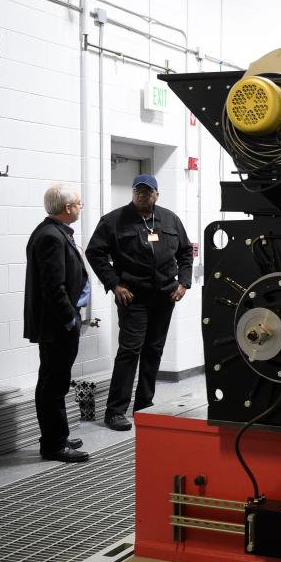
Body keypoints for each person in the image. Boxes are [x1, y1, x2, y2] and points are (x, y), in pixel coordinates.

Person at [86, 175, 193, 432]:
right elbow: (95, 252)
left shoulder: (170, 220)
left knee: (154, 351)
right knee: (130, 351)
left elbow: (186, 252)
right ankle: (115, 411)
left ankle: (144, 405)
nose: (142, 196)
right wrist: (114, 284)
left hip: (165, 297)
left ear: (157, 194)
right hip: (133, 297)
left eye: (147, 192)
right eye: (138, 191)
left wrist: (184, 283)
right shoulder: (114, 221)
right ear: (133, 193)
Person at [24, 185, 90, 462]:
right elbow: (54, 287)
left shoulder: (53, 232)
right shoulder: (52, 236)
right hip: (57, 325)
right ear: (67, 208)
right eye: (78, 204)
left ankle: (56, 436)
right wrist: (68, 320)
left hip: (55, 323)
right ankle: (53, 445)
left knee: (54, 381)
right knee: (54, 383)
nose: (80, 208)